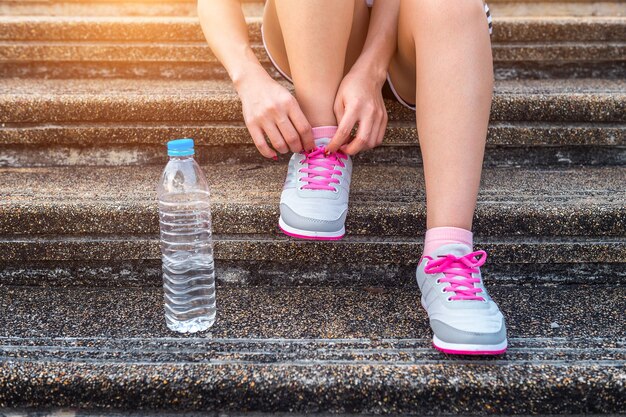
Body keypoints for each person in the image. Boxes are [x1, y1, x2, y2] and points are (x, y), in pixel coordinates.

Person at [198, 0, 506, 355]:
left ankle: (449, 254)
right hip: (315, 27)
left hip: (423, 35)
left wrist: (372, 70)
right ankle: (322, 141)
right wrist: (248, 78)